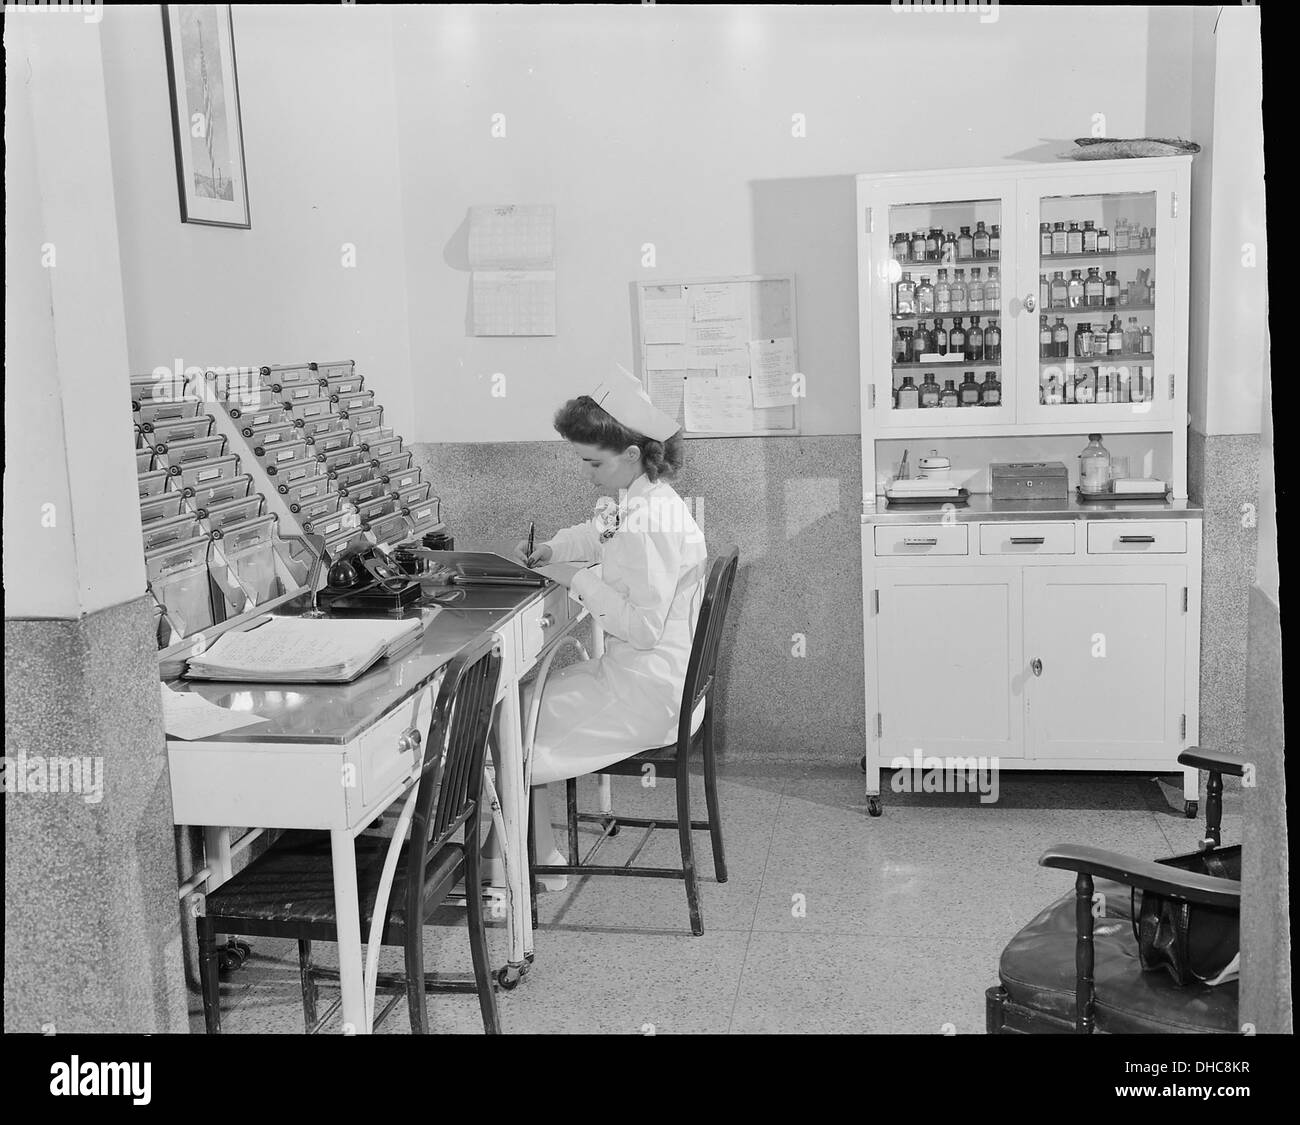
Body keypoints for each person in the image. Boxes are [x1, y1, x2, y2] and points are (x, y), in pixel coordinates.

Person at [511, 365, 708, 886]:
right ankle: (533, 852)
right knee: (525, 700)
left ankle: (535, 865)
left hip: (647, 691)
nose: (587, 473)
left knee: (512, 720)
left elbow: (642, 630)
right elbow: (598, 532)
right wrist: (555, 549)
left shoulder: (652, 522)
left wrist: (579, 582)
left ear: (630, 454)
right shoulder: (644, 499)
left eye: (592, 463)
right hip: (646, 677)